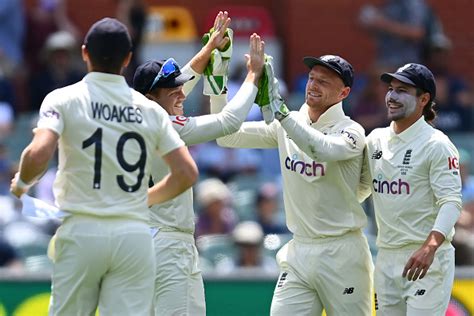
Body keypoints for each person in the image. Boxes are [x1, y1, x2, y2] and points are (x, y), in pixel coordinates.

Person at [10, 17, 198, 315]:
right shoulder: (150, 109)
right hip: (133, 236)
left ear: (85, 53)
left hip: (83, 229)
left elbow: (38, 154)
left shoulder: (63, 98)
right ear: (127, 59)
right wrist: (140, 201)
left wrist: (21, 184)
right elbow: (186, 173)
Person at [212, 55, 373, 315]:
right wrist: (217, 84)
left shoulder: (352, 131)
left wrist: (282, 114)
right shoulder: (287, 122)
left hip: (342, 252)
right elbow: (226, 136)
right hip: (299, 250)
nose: (313, 85)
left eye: (324, 81)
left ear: (344, 92)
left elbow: (320, 148)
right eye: (311, 78)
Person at [132, 11, 265, 315]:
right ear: (151, 96)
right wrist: (253, 76)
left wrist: (208, 50)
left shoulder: (140, 117)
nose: (181, 92)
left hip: (156, 239)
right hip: (166, 243)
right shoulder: (166, 124)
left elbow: (181, 86)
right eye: (172, 89)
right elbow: (229, 122)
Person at [359, 63, 462, 315]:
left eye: (402, 90)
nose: (392, 96)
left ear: (424, 99)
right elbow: (361, 190)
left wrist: (430, 246)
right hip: (386, 256)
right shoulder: (375, 140)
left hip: (427, 259)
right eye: (391, 89)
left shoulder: (437, 145)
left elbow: (451, 201)